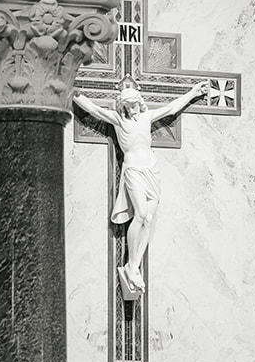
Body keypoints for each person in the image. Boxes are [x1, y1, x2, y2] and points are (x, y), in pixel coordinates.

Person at [72, 76, 209, 301]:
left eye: (131, 94)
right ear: (122, 102)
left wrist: (193, 92)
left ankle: (133, 266)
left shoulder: (147, 117)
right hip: (133, 168)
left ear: (138, 97)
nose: (129, 103)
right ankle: (131, 267)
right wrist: (74, 94)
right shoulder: (118, 120)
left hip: (151, 168)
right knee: (141, 213)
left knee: (148, 218)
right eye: (124, 95)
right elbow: (95, 110)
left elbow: (172, 108)